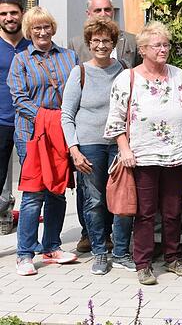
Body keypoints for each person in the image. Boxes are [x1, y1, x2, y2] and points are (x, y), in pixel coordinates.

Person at [104, 21, 182, 285]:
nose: (164, 49)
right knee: (145, 213)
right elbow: (115, 119)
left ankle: (173, 258)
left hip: (176, 155)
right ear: (143, 49)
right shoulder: (128, 78)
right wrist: (124, 149)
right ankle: (143, 263)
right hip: (142, 156)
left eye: (166, 44)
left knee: (172, 211)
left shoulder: (179, 75)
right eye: (157, 45)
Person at [61, 17, 136, 276]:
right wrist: (74, 150)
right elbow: (66, 115)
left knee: (123, 198)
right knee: (94, 201)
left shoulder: (124, 70)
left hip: (119, 144)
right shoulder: (79, 72)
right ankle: (100, 252)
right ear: (89, 44)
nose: (101, 45)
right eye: (96, 41)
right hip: (89, 145)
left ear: (114, 44)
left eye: (106, 41)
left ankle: (121, 251)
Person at [10, 6, 78, 276]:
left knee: (58, 192)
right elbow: (19, 99)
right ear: (29, 31)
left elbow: (76, 93)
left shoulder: (69, 57)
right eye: (36, 28)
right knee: (33, 194)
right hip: (32, 134)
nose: (42, 32)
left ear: (53, 28)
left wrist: (65, 122)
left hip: (61, 135)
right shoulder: (22, 60)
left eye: (46, 26)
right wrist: (50, 118)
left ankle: (51, 246)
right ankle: (24, 254)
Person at [0, 0, 30, 215]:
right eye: (3, 14)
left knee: (33, 184)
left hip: (28, 124)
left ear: (22, 14)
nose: (9, 17)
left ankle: (30, 243)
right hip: (0, 123)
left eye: (13, 12)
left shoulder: (33, 46)